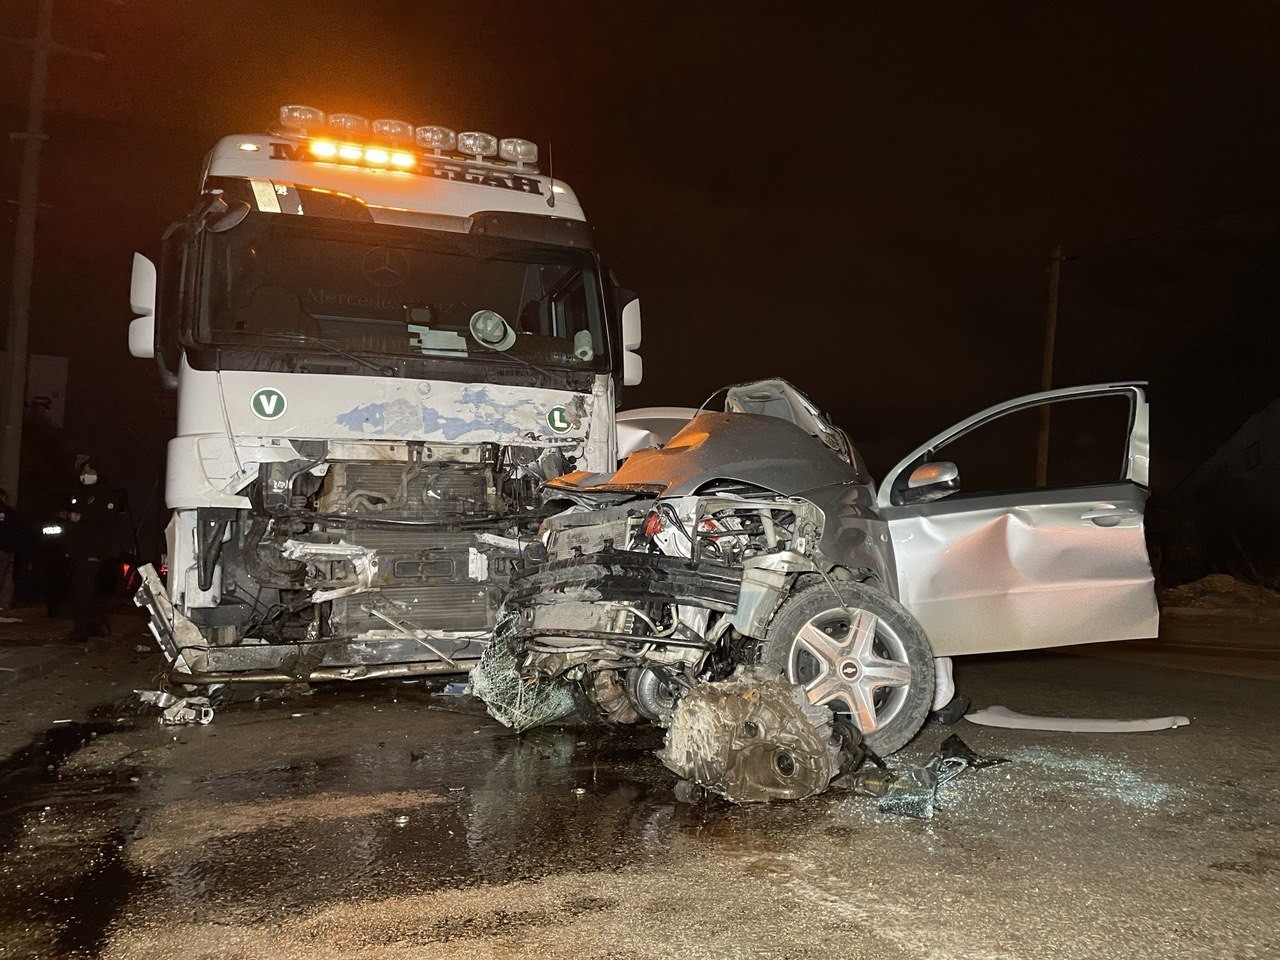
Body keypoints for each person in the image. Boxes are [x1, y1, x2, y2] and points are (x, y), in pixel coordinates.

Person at [65, 462, 119, 641]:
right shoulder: (78, 492)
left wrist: (83, 518)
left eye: (90, 470)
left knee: (84, 588)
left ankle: (81, 630)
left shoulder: (105, 493)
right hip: (77, 549)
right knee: (84, 588)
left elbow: (107, 518)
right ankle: (95, 625)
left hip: (93, 548)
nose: (85, 474)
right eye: (84, 470)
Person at [0, 488, 18, 611]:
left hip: (4, 548)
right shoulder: (8, 512)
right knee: (4, 576)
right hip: (4, 548)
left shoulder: (8, 512)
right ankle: (4, 604)